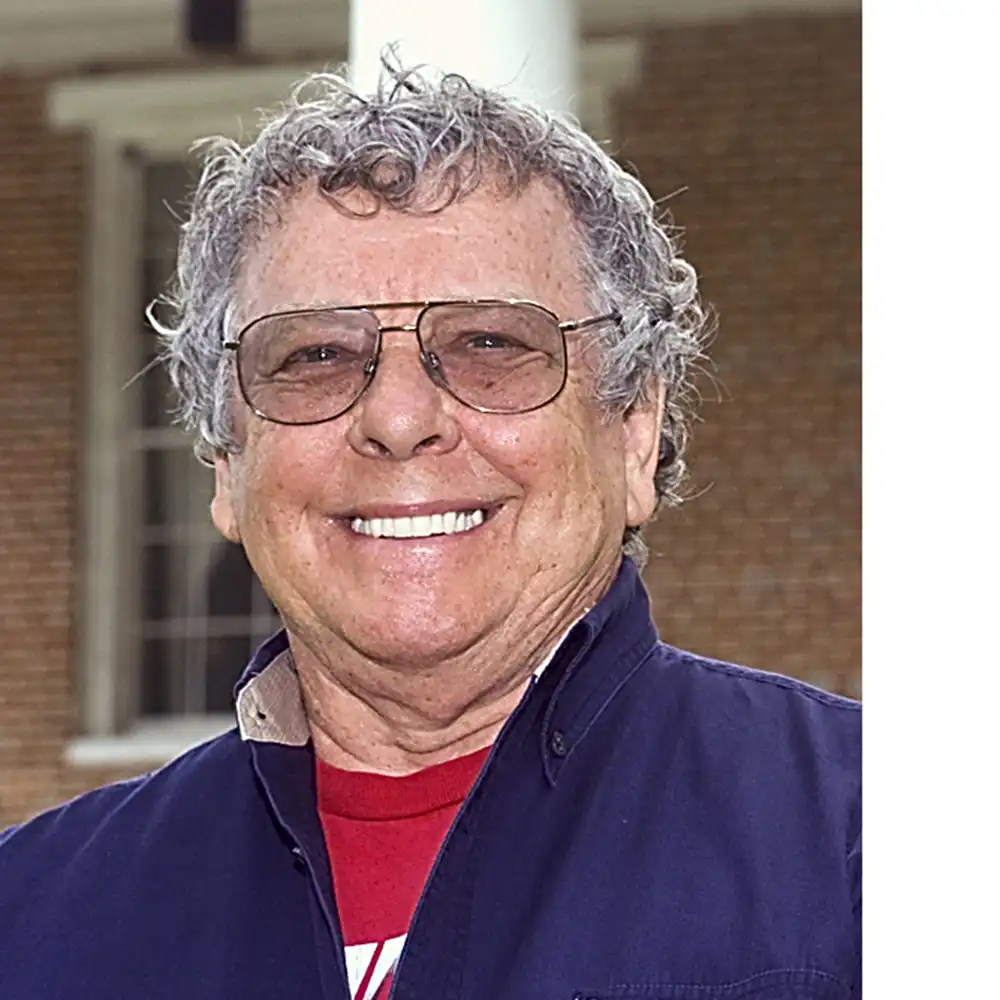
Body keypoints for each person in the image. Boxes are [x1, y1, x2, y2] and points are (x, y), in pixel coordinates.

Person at [0, 62, 861, 1000]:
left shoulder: (871, 844)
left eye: (490, 344)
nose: (399, 418)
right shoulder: (30, 918)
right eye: (316, 356)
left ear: (632, 432)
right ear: (227, 466)